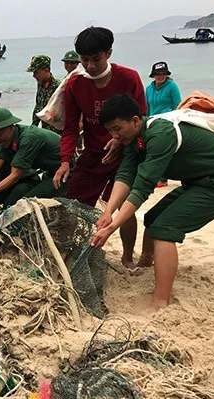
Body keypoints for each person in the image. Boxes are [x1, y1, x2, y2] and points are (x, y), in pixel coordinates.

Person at [91, 94, 214, 311]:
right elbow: (126, 175)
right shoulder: (133, 139)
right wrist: (108, 211)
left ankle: (161, 302)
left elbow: (142, 187)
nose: (114, 135)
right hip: (196, 181)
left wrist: (112, 227)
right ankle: (147, 263)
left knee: (164, 228)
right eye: (110, 130)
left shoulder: (160, 134)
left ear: (136, 121)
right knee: (153, 217)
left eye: (117, 128)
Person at [53, 26, 147, 270]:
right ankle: (70, 254)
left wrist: (119, 139)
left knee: (125, 207)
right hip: (94, 154)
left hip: (126, 153)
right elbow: (71, 127)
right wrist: (65, 160)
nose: (91, 66)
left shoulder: (129, 77)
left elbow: (142, 118)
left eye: (96, 59)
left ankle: (127, 257)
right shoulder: (75, 84)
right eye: (85, 60)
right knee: (73, 205)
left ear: (109, 53)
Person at [0, 108, 67, 207]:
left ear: (10, 126)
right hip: (50, 173)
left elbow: (15, 175)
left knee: (27, 205)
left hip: (67, 173)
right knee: (12, 204)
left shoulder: (28, 138)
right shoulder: (7, 141)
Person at [146, 61, 182, 188]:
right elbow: (147, 107)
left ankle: (163, 178)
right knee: (151, 149)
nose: (160, 76)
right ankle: (154, 176)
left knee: (163, 149)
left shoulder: (172, 86)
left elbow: (178, 105)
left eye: (163, 73)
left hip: (168, 121)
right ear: (153, 75)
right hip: (152, 121)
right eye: (157, 74)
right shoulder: (149, 88)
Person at [27, 55, 61, 133]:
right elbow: (38, 106)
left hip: (57, 131)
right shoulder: (40, 84)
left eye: (36, 72)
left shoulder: (58, 87)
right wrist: (33, 126)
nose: (34, 76)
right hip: (46, 130)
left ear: (46, 70)